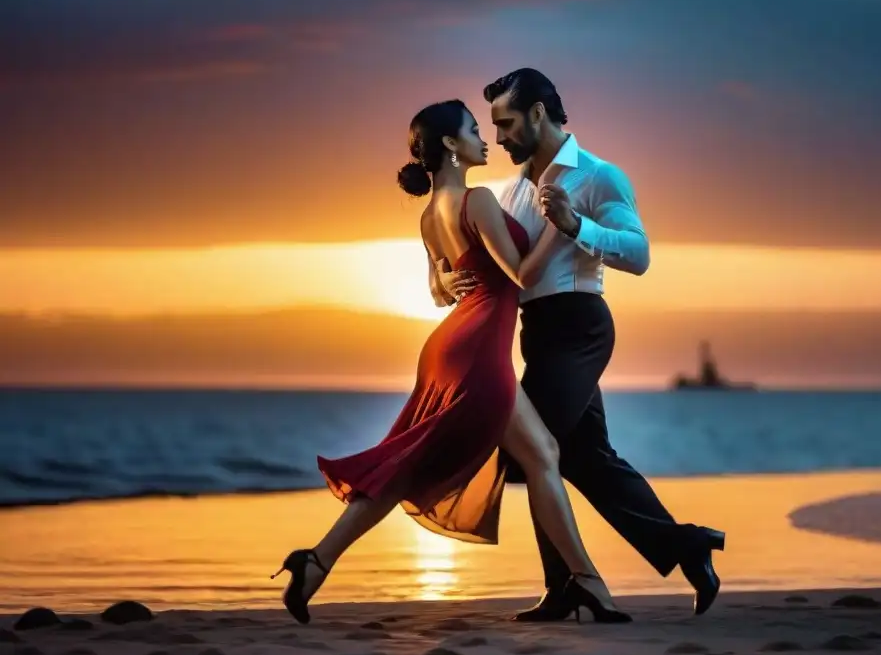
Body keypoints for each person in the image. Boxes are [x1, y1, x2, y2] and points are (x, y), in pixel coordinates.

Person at [272, 99, 629, 626]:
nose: (485, 139)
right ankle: (588, 584)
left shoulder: (427, 216)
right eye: (472, 131)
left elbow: (439, 289)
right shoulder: (479, 200)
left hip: (448, 347)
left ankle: (316, 562)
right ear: (449, 145)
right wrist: (561, 226)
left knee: (406, 469)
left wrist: (448, 279)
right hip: (479, 350)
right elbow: (522, 277)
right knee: (543, 455)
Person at [437, 69, 726, 620]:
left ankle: (575, 581)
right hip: (537, 334)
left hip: (580, 326)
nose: (497, 138)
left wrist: (576, 227)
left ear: (539, 114)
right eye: (492, 125)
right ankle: (680, 549)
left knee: (529, 454)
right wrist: (448, 280)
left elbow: (638, 255)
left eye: (507, 122)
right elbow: (506, 271)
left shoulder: (598, 177)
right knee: (583, 458)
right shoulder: (512, 191)